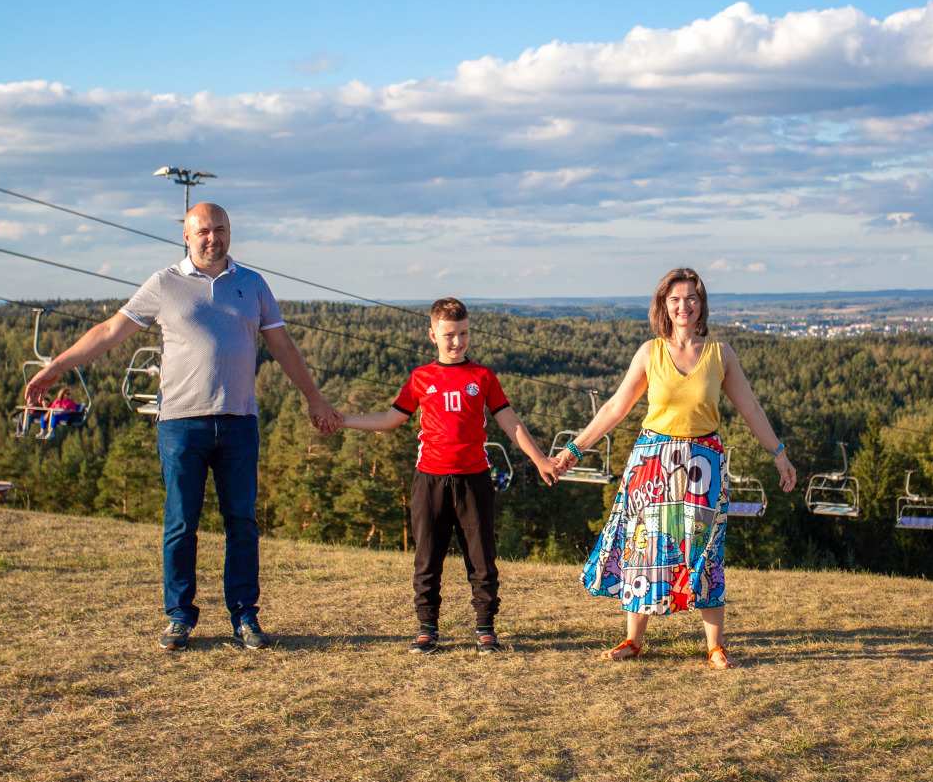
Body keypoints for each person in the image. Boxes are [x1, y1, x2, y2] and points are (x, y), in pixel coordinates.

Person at [25, 202, 340, 652]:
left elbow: (282, 344)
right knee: (180, 525)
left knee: (242, 524)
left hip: (238, 423)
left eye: (221, 230)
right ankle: (179, 616)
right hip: (179, 424)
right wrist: (58, 366)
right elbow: (110, 331)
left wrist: (314, 397)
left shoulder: (252, 284)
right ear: (186, 238)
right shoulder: (163, 284)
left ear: (230, 233)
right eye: (204, 231)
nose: (213, 238)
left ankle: (245, 617)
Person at [559, 267, 796, 669]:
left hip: (704, 465)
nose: (683, 306)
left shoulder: (720, 354)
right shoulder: (650, 352)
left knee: (705, 551)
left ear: (701, 304)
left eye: (690, 298)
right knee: (644, 548)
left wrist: (779, 453)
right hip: (652, 463)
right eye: (675, 299)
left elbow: (751, 408)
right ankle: (632, 641)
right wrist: (576, 449)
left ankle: (715, 646)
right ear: (663, 306)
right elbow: (616, 408)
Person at [338, 297, 556, 655]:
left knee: (482, 559)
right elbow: (390, 419)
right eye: (449, 335)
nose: (457, 342)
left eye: (464, 333)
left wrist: (540, 460)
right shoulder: (421, 378)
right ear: (432, 335)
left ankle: (485, 628)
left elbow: (510, 422)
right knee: (427, 558)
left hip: (474, 480)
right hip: (430, 480)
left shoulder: (483, 376)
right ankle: (427, 628)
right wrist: (343, 419)